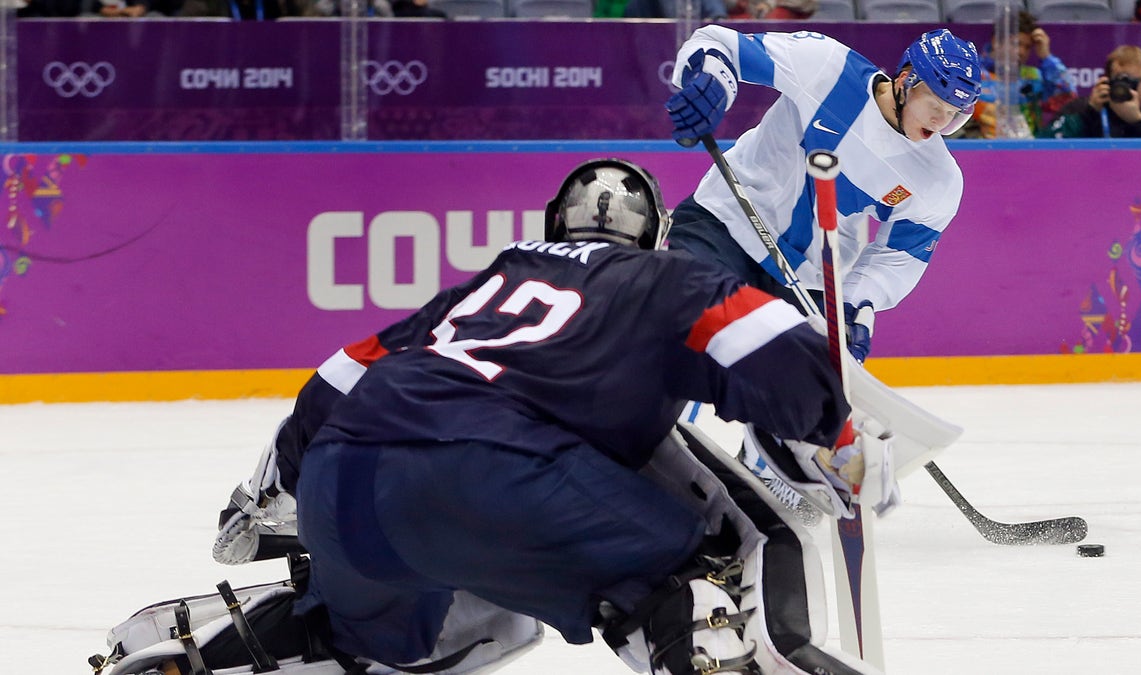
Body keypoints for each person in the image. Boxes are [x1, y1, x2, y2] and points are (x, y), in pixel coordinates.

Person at [205, 159, 896, 675]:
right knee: (700, 566)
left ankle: (226, 652)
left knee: (380, 642)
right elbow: (766, 344)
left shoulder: (481, 287)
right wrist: (839, 433)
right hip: (493, 473)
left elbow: (337, 377)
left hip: (341, 486)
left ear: (551, 224)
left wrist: (265, 495)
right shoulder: (667, 277)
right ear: (657, 235)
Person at [663, 26, 980, 495]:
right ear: (906, 79)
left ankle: (767, 487)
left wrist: (856, 303)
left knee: (800, 395)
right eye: (937, 106)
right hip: (725, 221)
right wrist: (710, 81)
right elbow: (721, 44)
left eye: (956, 116)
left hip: (809, 272)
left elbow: (898, 258)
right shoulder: (826, 66)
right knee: (680, 332)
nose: (942, 123)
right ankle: (648, 453)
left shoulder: (937, 181)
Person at [966, 10, 1076, 138]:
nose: (1022, 52)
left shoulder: (1033, 76)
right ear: (996, 41)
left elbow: (1067, 101)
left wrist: (1047, 57)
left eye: (1028, 47)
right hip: (980, 151)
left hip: (1028, 151)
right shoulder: (972, 73)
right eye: (1016, 44)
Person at [1038, 45, 1141, 139]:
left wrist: (1137, 121)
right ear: (1107, 79)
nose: (1130, 88)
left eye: (1137, 81)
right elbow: (1048, 144)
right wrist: (1089, 112)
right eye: (1123, 80)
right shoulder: (1078, 109)